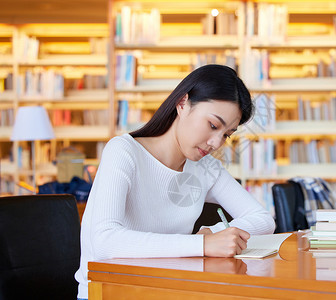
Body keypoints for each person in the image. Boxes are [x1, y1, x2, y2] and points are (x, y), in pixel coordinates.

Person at [74, 64, 276, 299]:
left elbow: (263, 220)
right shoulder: (123, 151)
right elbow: (104, 241)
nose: (216, 143)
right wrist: (202, 245)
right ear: (182, 103)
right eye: (213, 125)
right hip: (111, 292)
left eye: (226, 135)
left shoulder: (205, 168)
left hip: (169, 290)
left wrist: (214, 233)